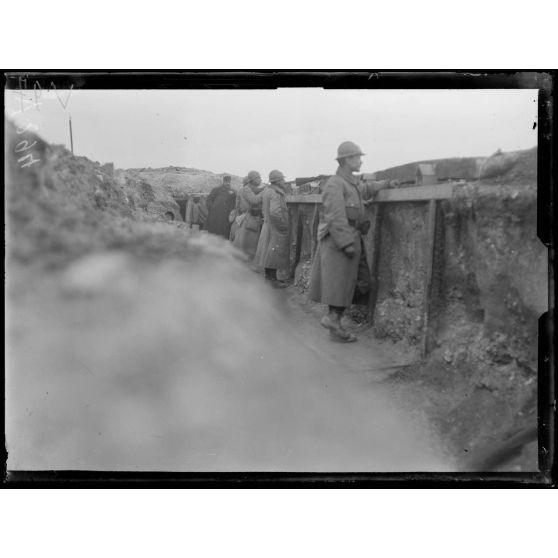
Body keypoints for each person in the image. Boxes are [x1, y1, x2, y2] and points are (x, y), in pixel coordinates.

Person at [307, 141, 398, 343]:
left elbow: (364, 189)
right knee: (342, 284)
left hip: (350, 238)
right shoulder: (334, 184)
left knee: (354, 282)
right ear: (347, 160)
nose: (360, 161)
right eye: (357, 157)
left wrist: (385, 184)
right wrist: (346, 243)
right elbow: (336, 216)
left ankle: (334, 323)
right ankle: (333, 321)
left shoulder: (349, 183)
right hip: (340, 241)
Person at [254, 170, 290, 288]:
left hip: (268, 225)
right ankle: (272, 280)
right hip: (275, 228)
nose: (284, 182)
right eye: (282, 180)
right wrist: (283, 226)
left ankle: (269, 278)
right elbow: (275, 213)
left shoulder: (267, 191)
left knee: (269, 253)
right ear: (277, 181)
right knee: (274, 253)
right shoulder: (276, 193)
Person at [232, 170, 265, 260]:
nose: (260, 179)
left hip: (250, 218)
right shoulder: (246, 189)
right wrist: (265, 191)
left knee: (248, 243)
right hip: (249, 218)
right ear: (253, 179)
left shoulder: (250, 189)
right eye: (258, 177)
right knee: (247, 243)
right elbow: (254, 200)